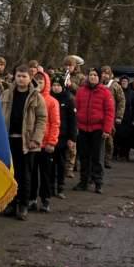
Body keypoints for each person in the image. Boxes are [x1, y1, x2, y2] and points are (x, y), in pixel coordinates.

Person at [0, 64, 48, 217]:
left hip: (27, 142)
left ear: (30, 78)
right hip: (8, 140)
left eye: (24, 76)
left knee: (25, 174)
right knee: (9, 174)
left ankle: (23, 205)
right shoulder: (6, 94)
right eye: (18, 76)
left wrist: (36, 139)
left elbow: (42, 119)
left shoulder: (36, 97)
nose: (21, 79)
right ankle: (11, 204)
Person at [73, 67, 114, 193]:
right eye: (91, 74)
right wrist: (76, 126)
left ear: (100, 77)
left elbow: (109, 112)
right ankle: (83, 181)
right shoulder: (81, 91)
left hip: (98, 129)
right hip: (83, 128)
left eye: (95, 75)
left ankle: (98, 182)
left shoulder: (105, 92)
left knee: (97, 157)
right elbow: (76, 109)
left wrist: (106, 130)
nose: (92, 77)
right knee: (84, 157)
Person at [34, 67, 61, 212]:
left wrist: (52, 141)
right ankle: (31, 199)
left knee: (45, 174)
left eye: (41, 81)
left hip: (46, 144)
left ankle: (45, 199)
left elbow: (55, 123)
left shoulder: (52, 102)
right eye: (36, 80)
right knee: (31, 173)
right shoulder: (30, 98)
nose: (38, 83)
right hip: (32, 143)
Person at [50, 70, 76, 200]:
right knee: (50, 163)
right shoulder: (49, 97)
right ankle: (50, 186)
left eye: (58, 85)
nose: (56, 87)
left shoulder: (69, 99)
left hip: (63, 136)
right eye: (54, 85)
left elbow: (73, 120)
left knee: (60, 163)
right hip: (49, 136)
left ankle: (60, 187)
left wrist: (72, 138)